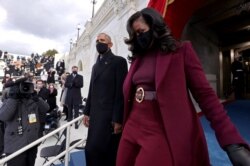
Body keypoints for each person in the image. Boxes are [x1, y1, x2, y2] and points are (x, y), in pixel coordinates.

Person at [116, 8, 250, 166]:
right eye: (135, 35)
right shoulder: (137, 59)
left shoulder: (181, 52)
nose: (139, 38)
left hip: (160, 131)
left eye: (141, 31)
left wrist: (231, 142)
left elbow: (206, 97)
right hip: (131, 127)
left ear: (155, 27)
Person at [83, 33, 128, 166]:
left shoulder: (119, 62)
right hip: (96, 116)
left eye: (102, 40)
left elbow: (121, 92)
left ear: (110, 45)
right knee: (90, 150)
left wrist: (118, 119)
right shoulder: (95, 66)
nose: (98, 42)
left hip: (109, 118)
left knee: (106, 153)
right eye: (97, 40)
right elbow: (91, 90)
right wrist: (87, 112)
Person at [0, 77, 49, 166]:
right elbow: (3, 116)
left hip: (32, 142)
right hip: (15, 145)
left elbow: (46, 108)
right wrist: (13, 98)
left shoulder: (33, 100)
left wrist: (37, 98)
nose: (25, 88)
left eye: (27, 86)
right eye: (22, 86)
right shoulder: (9, 100)